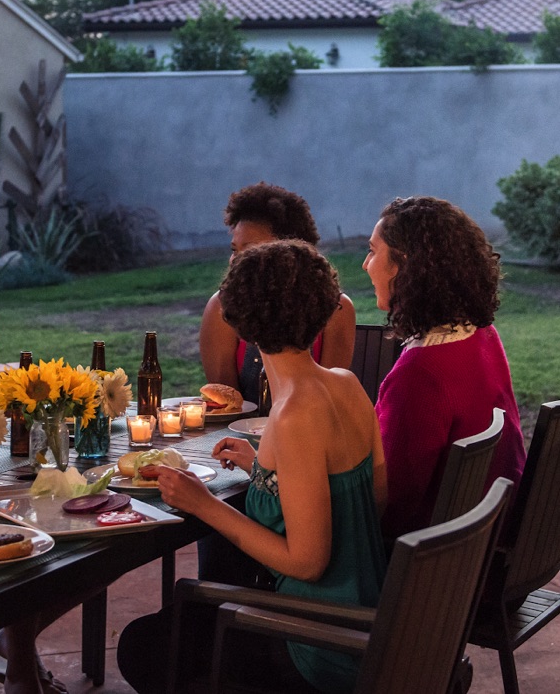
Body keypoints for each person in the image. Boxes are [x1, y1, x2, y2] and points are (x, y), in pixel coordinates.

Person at [119, 240, 387, 694]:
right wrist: (264, 474)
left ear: (242, 324)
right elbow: (374, 501)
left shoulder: (293, 416)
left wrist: (205, 505)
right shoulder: (348, 384)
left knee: (142, 647)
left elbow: (307, 562)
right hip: (371, 623)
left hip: (315, 644)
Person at [364, 196, 526, 541]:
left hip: (432, 569)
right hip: (489, 541)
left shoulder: (419, 373)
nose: (365, 264)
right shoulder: (481, 334)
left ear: (402, 266)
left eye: (373, 251)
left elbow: (390, 505)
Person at [199, 182, 355, 402]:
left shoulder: (336, 308)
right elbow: (227, 406)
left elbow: (329, 399)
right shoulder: (220, 308)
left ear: (291, 254)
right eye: (235, 249)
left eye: (251, 250)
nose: (236, 260)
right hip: (238, 433)